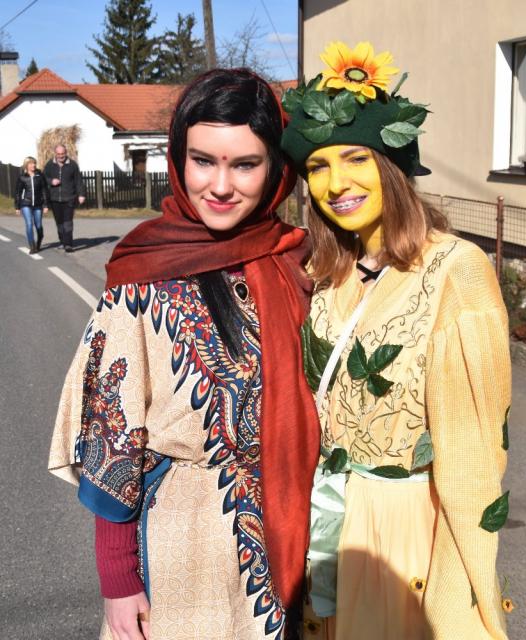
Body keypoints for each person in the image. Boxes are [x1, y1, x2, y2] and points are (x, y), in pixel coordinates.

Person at [48, 68, 321, 640]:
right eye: (203, 161)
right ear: (179, 158)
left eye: (244, 164)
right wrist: (119, 579)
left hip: (287, 539)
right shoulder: (142, 274)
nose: (221, 185)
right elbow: (111, 435)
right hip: (176, 544)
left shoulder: (296, 263)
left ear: (275, 169)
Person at [281, 41, 512, 639]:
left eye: (355, 158)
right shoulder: (324, 273)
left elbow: (474, 453)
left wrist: (458, 589)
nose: (335, 183)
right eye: (317, 167)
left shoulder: (455, 270)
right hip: (327, 524)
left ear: (392, 165)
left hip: (406, 536)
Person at [44, 144, 86, 252]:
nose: (61, 156)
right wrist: (51, 181)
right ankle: (62, 241)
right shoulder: (50, 164)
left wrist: (81, 194)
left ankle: (68, 244)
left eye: (62, 153)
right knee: (59, 223)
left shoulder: (72, 165)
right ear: (55, 153)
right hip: (54, 199)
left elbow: (78, 180)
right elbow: (44, 178)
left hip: (69, 198)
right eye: (58, 154)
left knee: (68, 222)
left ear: (66, 153)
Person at [14, 156, 49, 254]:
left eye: (34, 163)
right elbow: (18, 192)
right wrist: (17, 207)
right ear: (26, 165)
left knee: (38, 226)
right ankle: (32, 246)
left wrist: (45, 205)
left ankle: (39, 239)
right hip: (26, 204)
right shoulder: (22, 177)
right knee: (29, 224)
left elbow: (44, 191)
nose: (33, 165)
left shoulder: (40, 176)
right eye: (30, 163)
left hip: (38, 204)